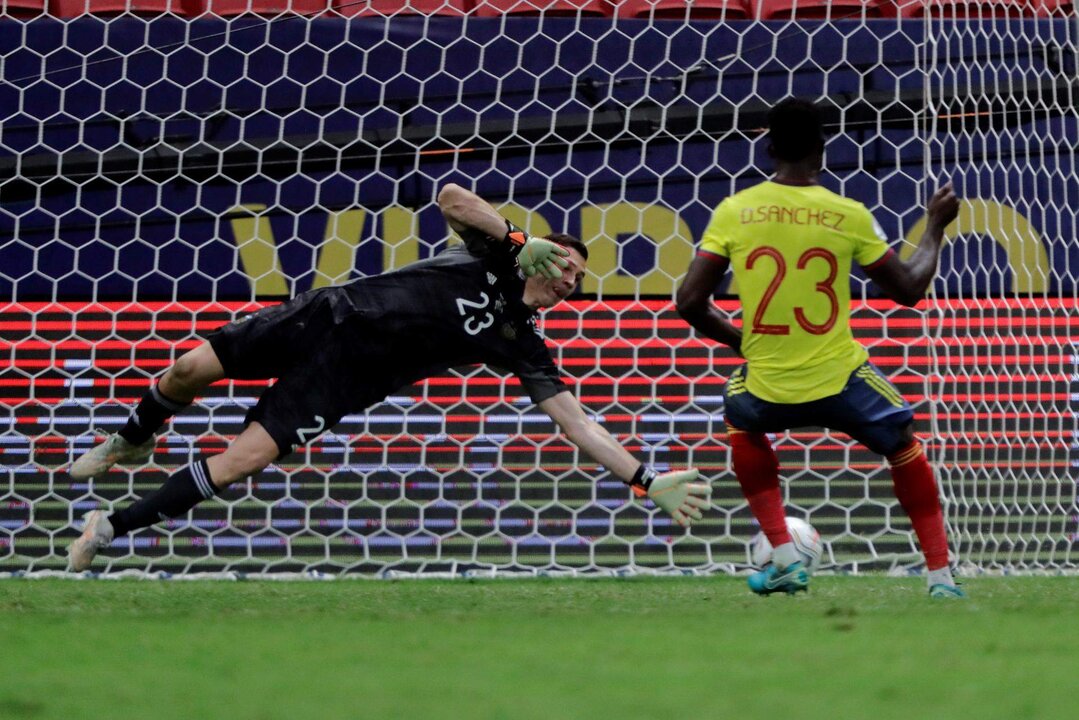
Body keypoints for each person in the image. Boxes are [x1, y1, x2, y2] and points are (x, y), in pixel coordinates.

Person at [67, 184, 711, 571]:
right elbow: (451, 197)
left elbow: (576, 422)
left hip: (347, 377)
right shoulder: (492, 251)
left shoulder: (525, 344)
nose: (569, 283)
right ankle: (134, 437)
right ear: (540, 258)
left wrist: (647, 479)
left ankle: (111, 526)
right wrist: (518, 237)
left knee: (243, 460)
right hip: (326, 315)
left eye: (577, 280)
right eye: (563, 268)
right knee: (187, 370)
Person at [675, 98, 963, 598]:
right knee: (904, 445)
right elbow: (909, 289)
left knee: (741, 421)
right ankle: (940, 578)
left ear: (768, 149)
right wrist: (935, 226)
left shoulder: (734, 211)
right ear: (822, 150)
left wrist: (745, 342)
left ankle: (784, 558)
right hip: (841, 378)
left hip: (767, 381)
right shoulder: (847, 214)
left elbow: (690, 301)